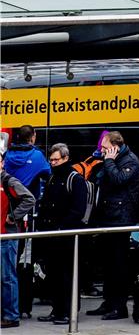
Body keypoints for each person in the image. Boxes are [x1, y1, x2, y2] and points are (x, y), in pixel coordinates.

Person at [87, 131, 139, 321]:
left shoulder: (130, 161)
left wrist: (109, 161)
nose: (101, 149)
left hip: (121, 218)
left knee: (119, 264)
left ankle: (119, 306)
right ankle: (108, 302)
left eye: (104, 146)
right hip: (108, 215)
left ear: (114, 147)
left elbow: (119, 179)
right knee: (108, 263)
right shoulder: (109, 158)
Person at [36, 144, 88, 325]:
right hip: (51, 234)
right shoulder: (52, 178)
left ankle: (68, 311)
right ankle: (57, 309)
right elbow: (45, 205)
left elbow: (78, 210)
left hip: (67, 235)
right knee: (54, 274)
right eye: (51, 160)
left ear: (66, 159)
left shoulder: (75, 179)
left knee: (68, 275)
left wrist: (62, 227)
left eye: (56, 160)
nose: (53, 163)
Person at [1, 154, 36, 329]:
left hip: (7, 236)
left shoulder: (9, 181)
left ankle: (11, 315)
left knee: (7, 277)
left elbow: (29, 199)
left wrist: (12, 216)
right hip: (4, 235)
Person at [3, 125, 50, 198]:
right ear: (32, 137)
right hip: (29, 199)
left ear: (18, 137)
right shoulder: (37, 155)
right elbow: (48, 175)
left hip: (9, 198)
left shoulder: (7, 154)